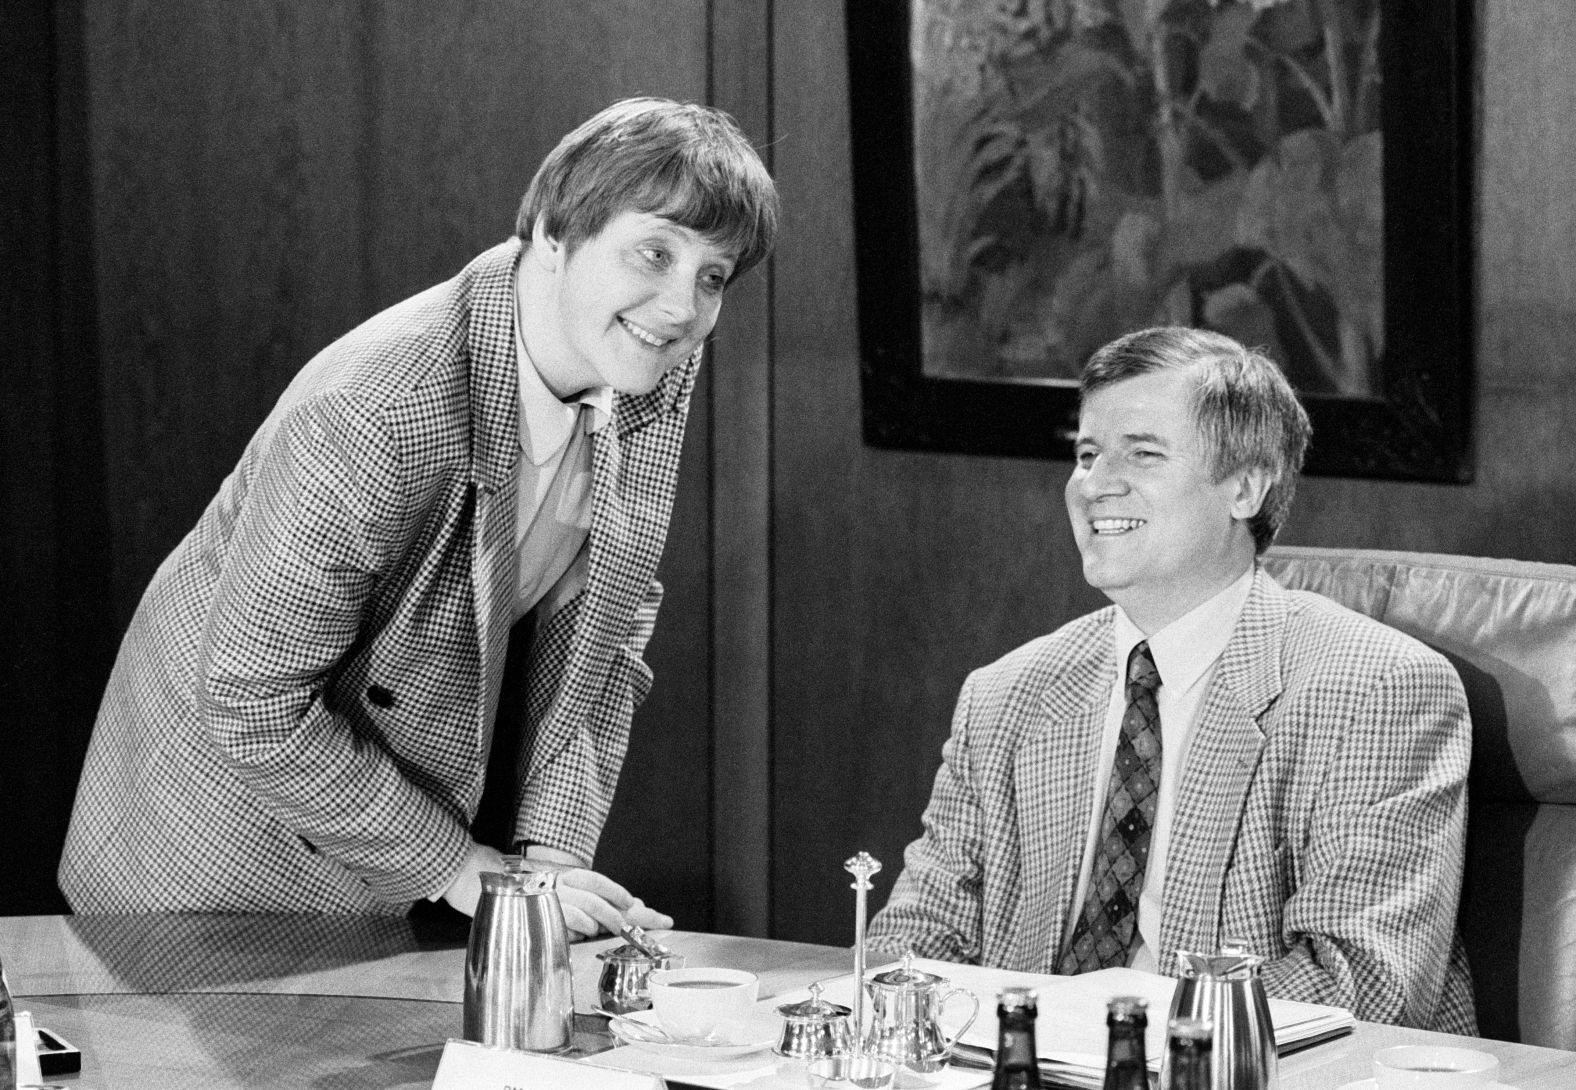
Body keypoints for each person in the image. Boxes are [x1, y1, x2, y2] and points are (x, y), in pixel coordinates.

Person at [58, 97, 779, 936]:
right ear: (553, 232)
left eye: (712, 276)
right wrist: (460, 867)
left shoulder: (643, 355)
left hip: (396, 850)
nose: (683, 307)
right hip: (208, 849)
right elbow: (252, 703)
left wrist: (549, 857)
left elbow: (607, 635)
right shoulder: (379, 407)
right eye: (654, 251)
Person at [868, 327, 1476, 1033]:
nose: (1095, 483)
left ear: (1245, 486)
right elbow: (911, 944)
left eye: (1143, 453)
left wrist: (1118, 1033)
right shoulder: (1008, 695)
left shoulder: (1379, 692)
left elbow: (1365, 986)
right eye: (1087, 454)